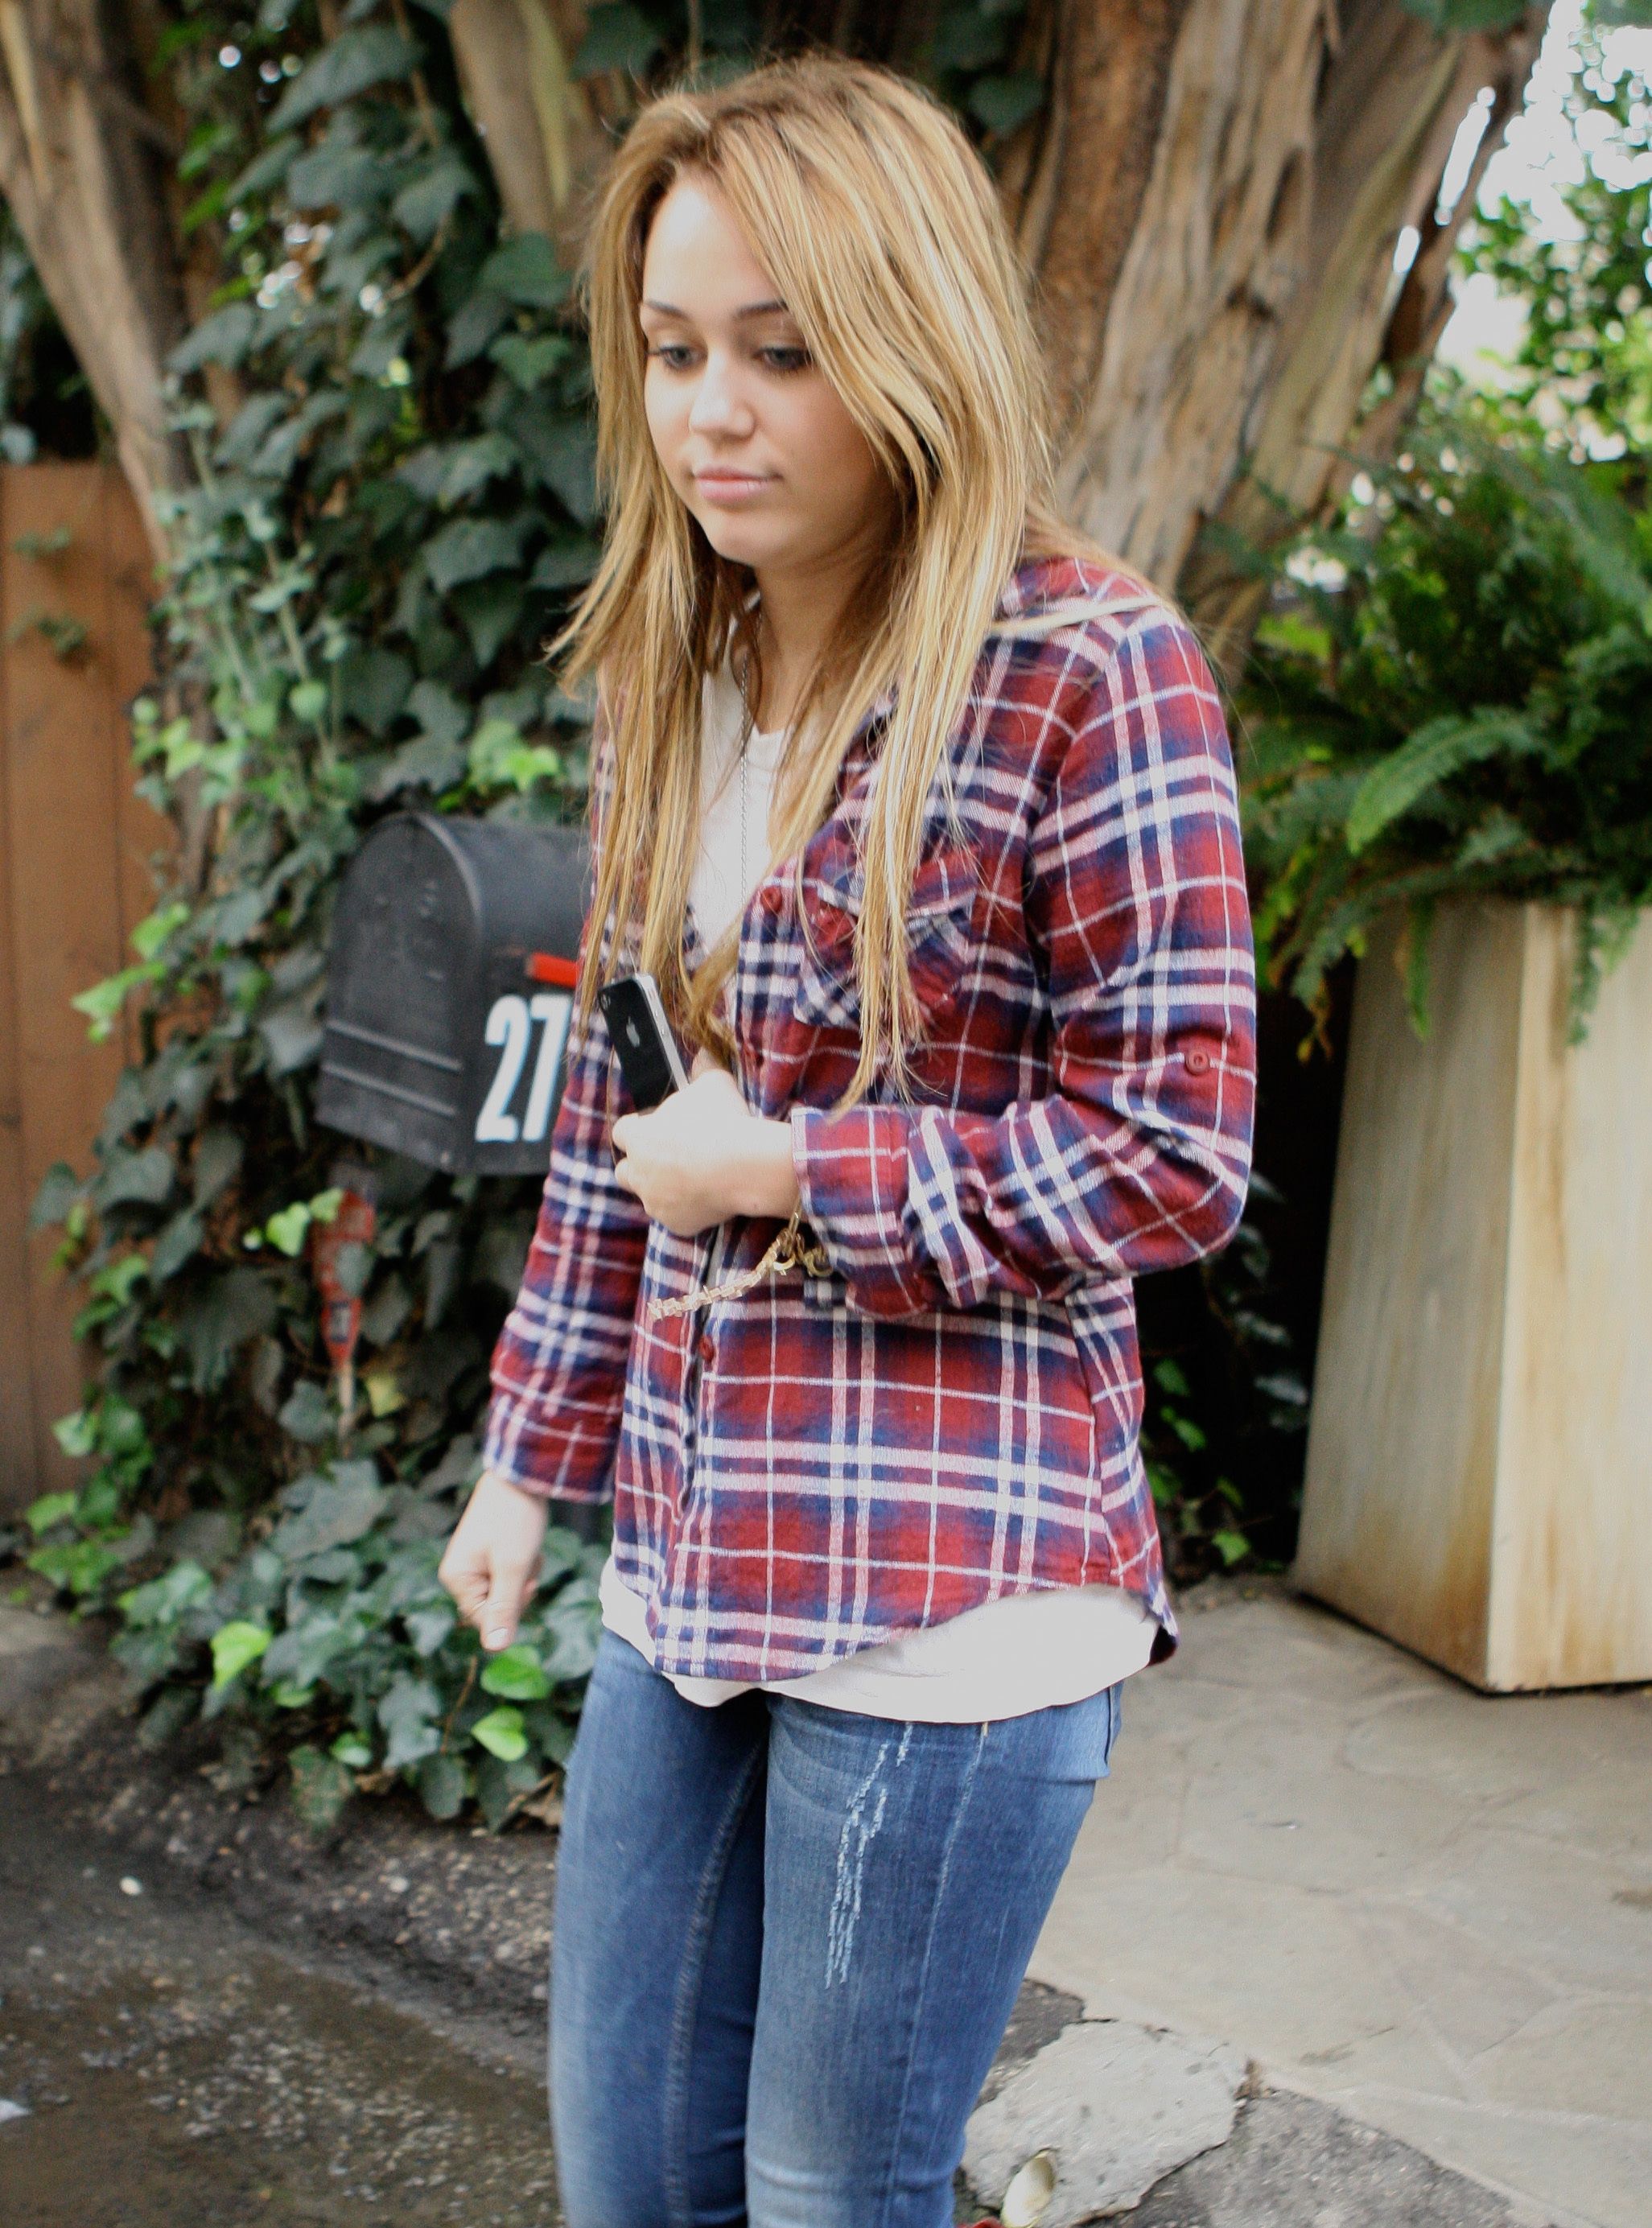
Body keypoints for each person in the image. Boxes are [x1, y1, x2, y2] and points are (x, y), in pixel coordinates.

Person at [439, 51, 1256, 2228]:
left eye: (782, 353)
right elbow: (627, 1122)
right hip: (692, 1557)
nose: (713, 412)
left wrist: (806, 1175)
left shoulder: (1089, 670)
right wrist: (528, 1459)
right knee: (632, 2178)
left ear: (910, 343)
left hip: (949, 1595)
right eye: (675, 350)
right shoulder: (671, 673)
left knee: (829, 2198)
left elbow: (1177, 1148)